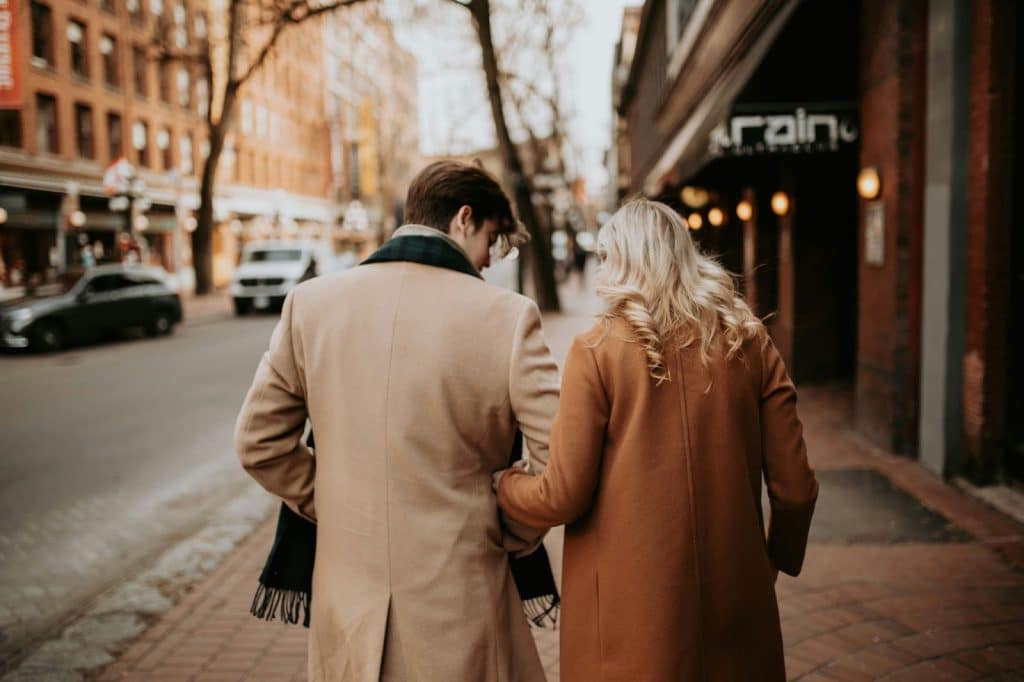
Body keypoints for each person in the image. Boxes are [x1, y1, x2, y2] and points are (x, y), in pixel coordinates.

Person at [235, 160, 561, 681]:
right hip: (462, 597)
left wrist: (335, 500)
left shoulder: (310, 304)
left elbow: (258, 444)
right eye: (492, 241)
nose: (488, 263)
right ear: (463, 218)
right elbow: (558, 462)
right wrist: (507, 527)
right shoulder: (508, 316)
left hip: (349, 605)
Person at [496, 198, 819, 681]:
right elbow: (796, 489)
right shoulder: (749, 342)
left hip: (629, 622)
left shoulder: (597, 351)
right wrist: (773, 559)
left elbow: (561, 494)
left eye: (606, 257)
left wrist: (504, 486)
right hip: (736, 597)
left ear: (624, 262)